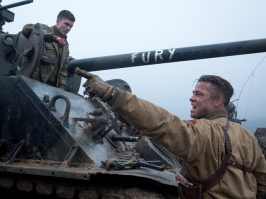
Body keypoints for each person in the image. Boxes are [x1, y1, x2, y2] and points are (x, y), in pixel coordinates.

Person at [75, 67, 266, 199]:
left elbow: (163, 124)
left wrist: (112, 94)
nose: (191, 98)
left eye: (199, 94)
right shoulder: (247, 137)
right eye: (193, 92)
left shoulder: (204, 132)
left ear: (218, 102)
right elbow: (262, 180)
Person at [21, 10, 75, 90]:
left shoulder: (65, 45)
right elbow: (25, 29)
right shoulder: (44, 30)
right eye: (66, 24)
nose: (68, 28)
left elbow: (63, 68)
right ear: (58, 21)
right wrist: (54, 38)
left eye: (71, 26)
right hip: (33, 81)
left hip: (51, 88)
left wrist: (61, 88)